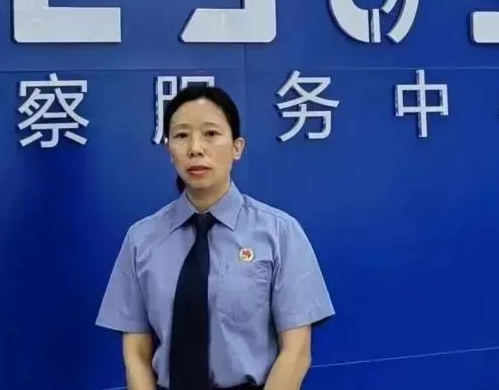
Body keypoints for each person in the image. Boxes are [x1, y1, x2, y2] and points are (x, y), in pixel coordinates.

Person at [95, 84, 334, 390]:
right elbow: (136, 354)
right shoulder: (141, 238)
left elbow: (296, 352)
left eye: (210, 133)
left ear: (237, 147)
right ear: (169, 150)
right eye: (182, 135)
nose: (195, 148)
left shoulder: (280, 233)